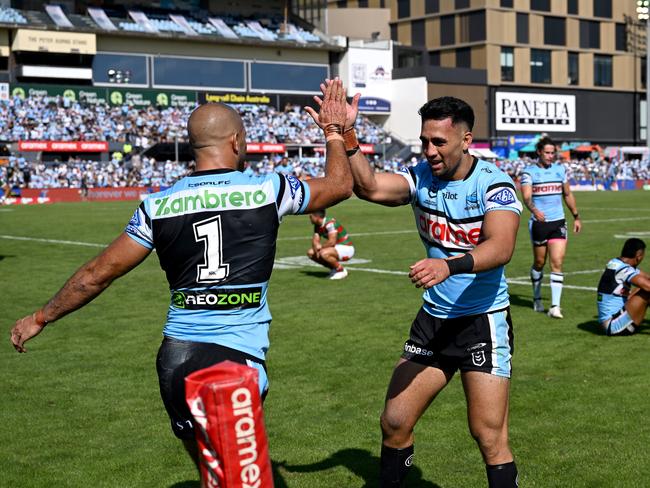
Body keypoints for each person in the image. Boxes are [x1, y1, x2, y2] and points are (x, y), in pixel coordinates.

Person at [10, 79, 352, 479]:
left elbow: (96, 275)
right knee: (241, 480)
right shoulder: (267, 188)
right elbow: (340, 185)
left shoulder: (158, 205)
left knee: (213, 475)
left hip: (175, 360)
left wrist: (40, 317)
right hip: (232, 363)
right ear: (237, 141)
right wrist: (333, 131)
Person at [309, 89, 522, 487]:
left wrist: (449, 264)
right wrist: (347, 135)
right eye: (424, 141)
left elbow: (501, 246)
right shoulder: (421, 176)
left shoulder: (494, 184)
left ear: (465, 140)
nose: (429, 151)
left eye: (439, 142)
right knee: (395, 421)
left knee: (488, 436)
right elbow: (369, 187)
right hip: (434, 321)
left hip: (482, 322)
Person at [520, 136, 582, 319]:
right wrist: (534, 210)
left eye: (552, 152)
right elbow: (527, 197)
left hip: (558, 222)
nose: (550, 156)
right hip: (539, 223)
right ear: (539, 152)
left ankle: (555, 306)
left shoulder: (560, 170)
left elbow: (568, 194)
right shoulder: (528, 172)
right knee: (539, 263)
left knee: (557, 263)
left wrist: (576, 216)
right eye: (547, 152)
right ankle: (537, 298)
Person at [597, 238, 650, 336]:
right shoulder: (623, 269)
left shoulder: (616, 263)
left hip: (613, 320)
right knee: (646, 291)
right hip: (613, 326)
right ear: (638, 256)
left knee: (642, 287)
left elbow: (647, 277)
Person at [307, 208, 355, 280]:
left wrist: (320, 247)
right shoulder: (317, 225)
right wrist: (316, 250)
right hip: (336, 248)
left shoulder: (330, 223)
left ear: (316, 217)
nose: (309, 218)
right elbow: (315, 241)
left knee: (324, 253)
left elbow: (332, 242)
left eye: (311, 216)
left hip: (346, 247)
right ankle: (334, 269)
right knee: (311, 253)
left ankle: (341, 270)